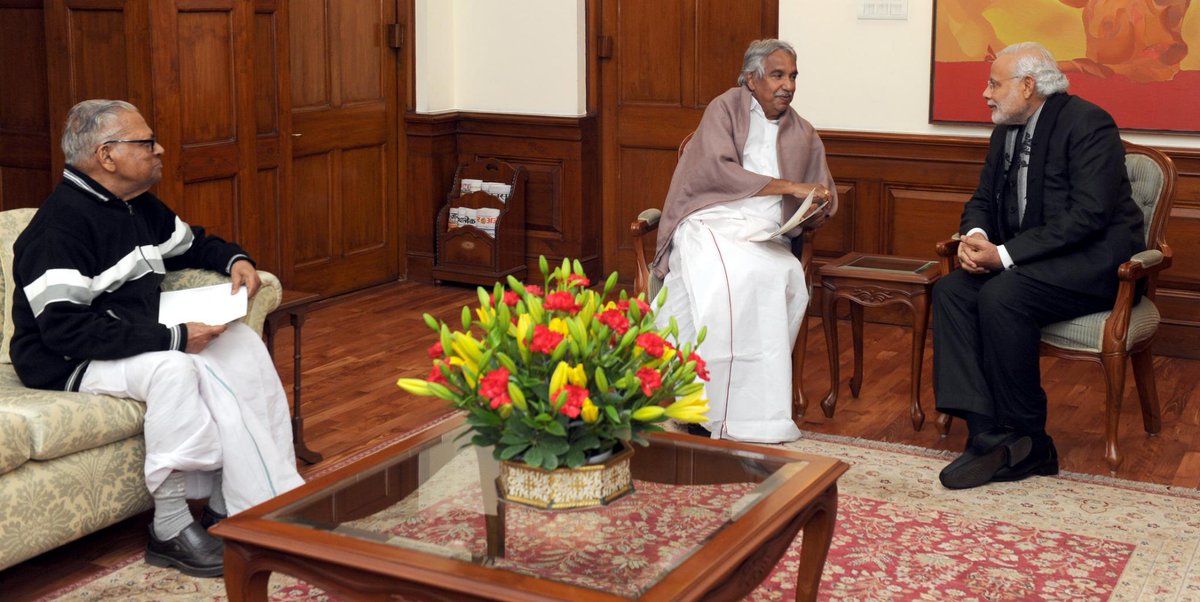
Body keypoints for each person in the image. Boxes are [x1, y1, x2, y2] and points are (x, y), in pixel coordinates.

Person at [10, 99, 305, 576]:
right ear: (107, 155)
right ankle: (169, 528)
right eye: (146, 142)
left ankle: (234, 503)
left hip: (125, 333)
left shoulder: (133, 205)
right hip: (64, 360)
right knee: (174, 367)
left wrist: (235, 259)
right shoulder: (58, 228)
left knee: (243, 344)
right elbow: (65, 330)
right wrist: (174, 337)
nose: (160, 149)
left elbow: (192, 243)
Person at [933, 42, 1146, 489]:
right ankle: (987, 433)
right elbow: (982, 199)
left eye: (994, 84)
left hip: (1093, 265)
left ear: (1028, 86)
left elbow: (1088, 216)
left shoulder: (1087, 123)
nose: (985, 93)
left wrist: (1004, 256)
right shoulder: (1005, 131)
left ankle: (1030, 441)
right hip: (1032, 262)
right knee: (951, 289)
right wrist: (976, 237)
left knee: (1003, 294)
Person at [651, 39, 837, 444]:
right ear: (752, 79)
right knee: (727, 282)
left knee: (783, 279)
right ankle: (705, 407)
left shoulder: (803, 132)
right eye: (777, 75)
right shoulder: (724, 109)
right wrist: (789, 185)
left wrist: (817, 203)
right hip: (710, 220)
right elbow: (715, 172)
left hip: (767, 235)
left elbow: (823, 190)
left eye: (793, 76)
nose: (788, 85)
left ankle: (756, 415)